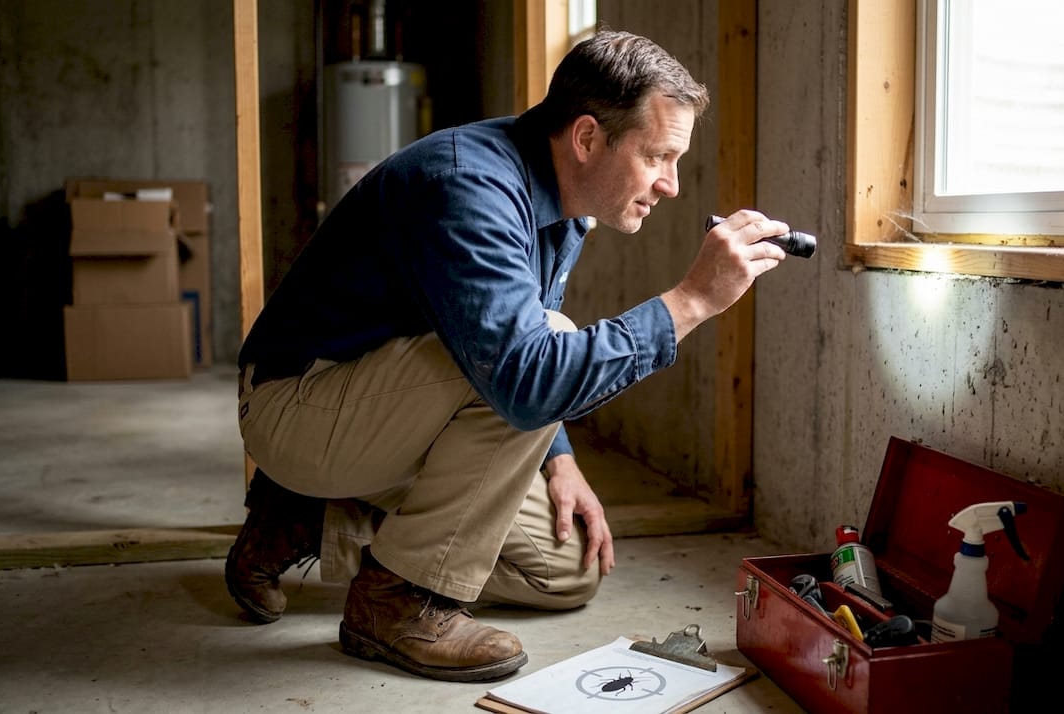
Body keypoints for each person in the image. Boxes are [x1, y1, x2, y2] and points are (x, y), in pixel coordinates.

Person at [226, 29, 791, 683]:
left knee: (567, 567)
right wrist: (691, 301)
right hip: (298, 404)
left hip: (387, 409)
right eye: (658, 156)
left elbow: (501, 344)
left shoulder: (566, 195)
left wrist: (559, 460)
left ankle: (308, 519)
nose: (671, 185)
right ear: (587, 138)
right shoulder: (470, 189)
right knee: (544, 346)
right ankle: (397, 600)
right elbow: (523, 373)